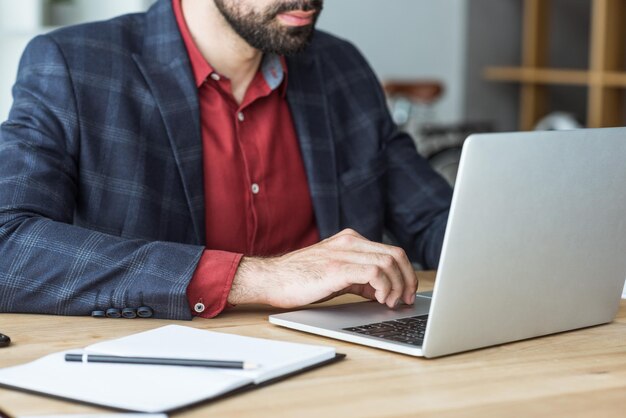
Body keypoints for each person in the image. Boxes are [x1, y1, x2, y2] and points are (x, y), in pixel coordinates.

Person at [0, 0, 452, 320]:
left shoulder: (340, 66)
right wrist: (258, 278)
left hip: (350, 363)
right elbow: (7, 247)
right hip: (167, 372)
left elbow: (437, 223)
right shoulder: (74, 64)